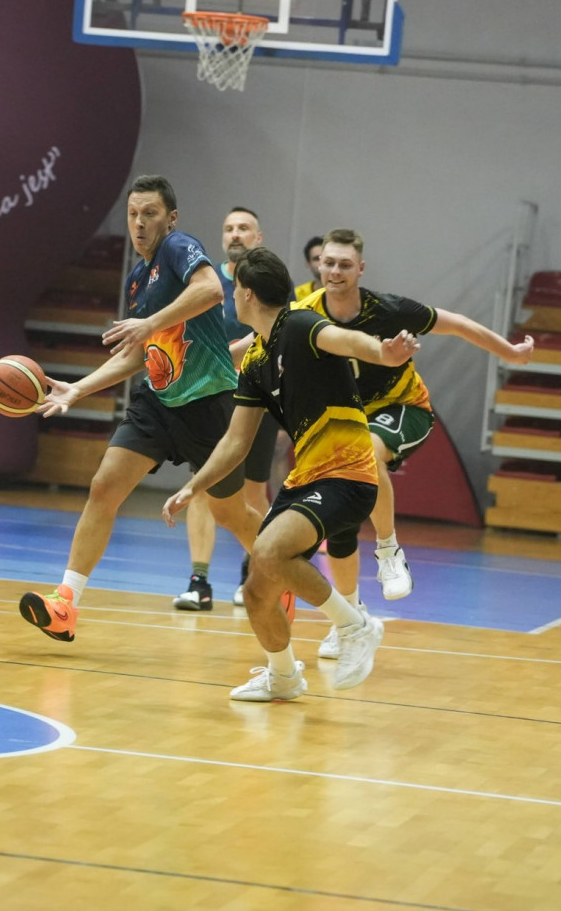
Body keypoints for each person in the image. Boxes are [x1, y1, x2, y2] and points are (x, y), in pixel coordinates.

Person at [163, 246, 416, 701]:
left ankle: (354, 626)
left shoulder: (298, 324)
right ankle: (283, 676)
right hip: (306, 479)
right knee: (257, 591)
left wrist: (383, 352)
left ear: (246, 293)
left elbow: (346, 341)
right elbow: (236, 442)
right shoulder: (257, 360)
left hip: (348, 471)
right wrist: (192, 486)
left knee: (269, 550)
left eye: (234, 290)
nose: (231, 296)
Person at [20, 176, 262, 641]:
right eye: (133, 214)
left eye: (149, 213)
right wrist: (77, 390)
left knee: (231, 514)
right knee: (103, 487)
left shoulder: (178, 247)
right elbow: (135, 353)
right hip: (156, 404)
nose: (139, 223)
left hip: (209, 402)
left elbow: (211, 290)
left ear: (170, 218)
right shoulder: (137, 279)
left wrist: (149, 322)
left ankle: (281, 565)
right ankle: (66, 603)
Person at [300, 227, 534, 658]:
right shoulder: (304, 314)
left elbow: (457, 323)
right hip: (345, 421)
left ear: (360, 268)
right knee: (340, 526)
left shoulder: (389, 310)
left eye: (344, 265)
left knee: (366, 450)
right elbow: (256, 343)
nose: (334, 271)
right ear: (319, 265)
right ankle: (349, 621)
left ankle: (389, 550)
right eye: (328, 263)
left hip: (404, 408)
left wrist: (508, 352)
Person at [173, 205, 280, 611]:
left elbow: (274, 335)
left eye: (244, 228)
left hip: (258, 398)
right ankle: (198, 582)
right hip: (211, 398)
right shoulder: (205, 281)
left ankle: (253, 575)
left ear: (258, 237)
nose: (235, 234)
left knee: (252, 492)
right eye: (229, 228)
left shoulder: (269, 282)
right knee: (201, 486)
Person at [292, 235, 324, 302]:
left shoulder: (345, 293)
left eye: (325, 258)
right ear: (308, 263)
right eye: (316, 259)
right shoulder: (296, 295)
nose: (322, 262)